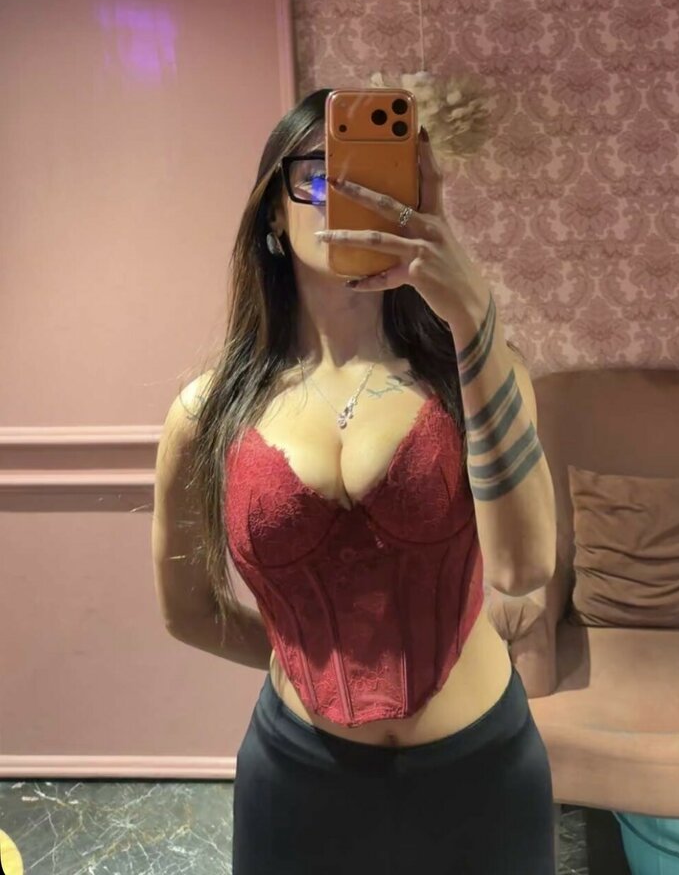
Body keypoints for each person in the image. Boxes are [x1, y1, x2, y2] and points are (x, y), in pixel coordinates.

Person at [151, 87, 558, 875]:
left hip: (482, 774)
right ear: (273, 215)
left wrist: (474, 317)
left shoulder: (475, 376)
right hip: (298, 781)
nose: (345, 198)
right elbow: (189, 612)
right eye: (317, 175)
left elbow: (524, 567)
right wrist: (314, 652)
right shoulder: (205, 414)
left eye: (373, 177)